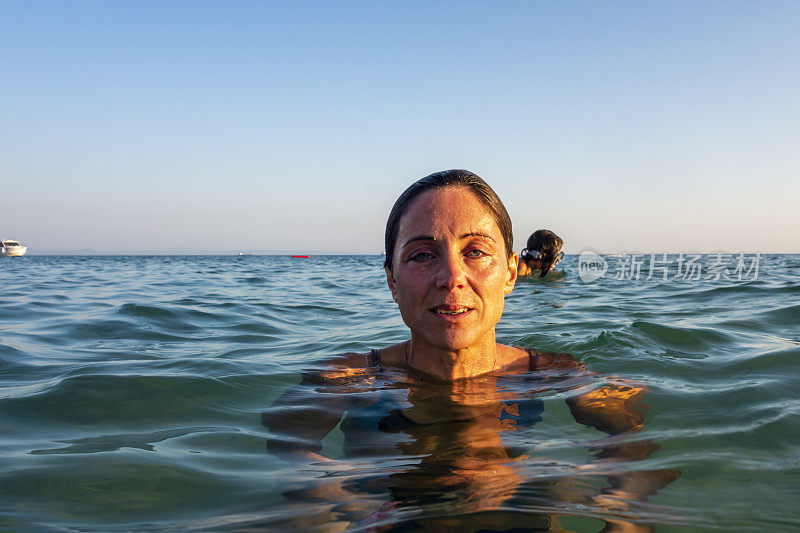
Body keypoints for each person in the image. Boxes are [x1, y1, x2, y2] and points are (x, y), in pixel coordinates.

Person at [262, 170, 677, 531]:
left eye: (475, 251)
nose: (451, 277)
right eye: (423, 255)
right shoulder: (348, 378)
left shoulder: (553, 372)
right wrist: (334, 496)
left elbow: (633, 441)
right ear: (391, 279)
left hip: (520, 513)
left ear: (511, 273)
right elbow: (289, 445)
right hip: (380, 514)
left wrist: (621, 509)